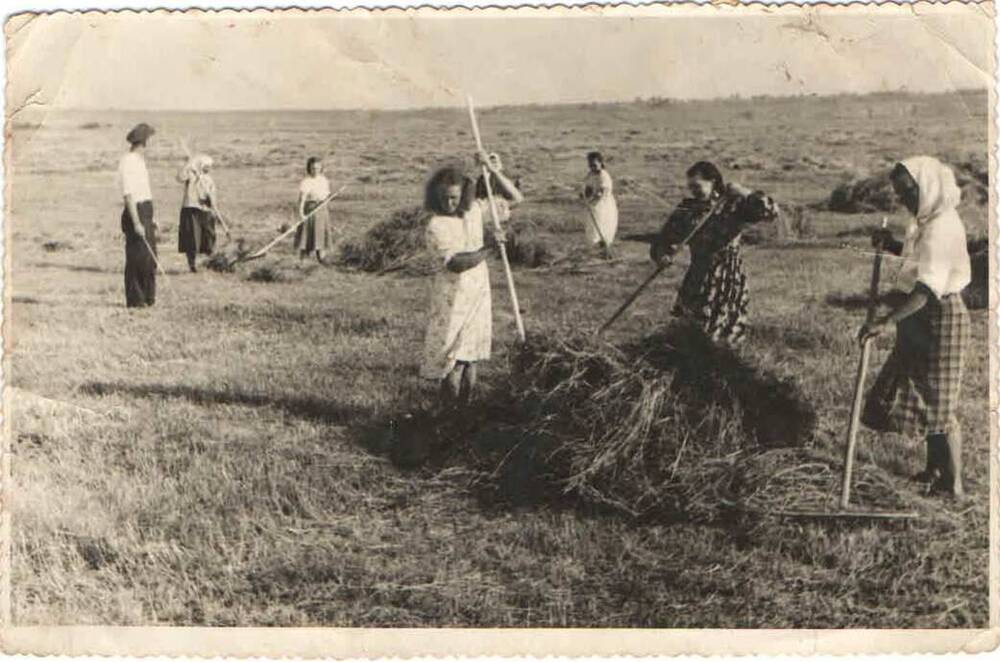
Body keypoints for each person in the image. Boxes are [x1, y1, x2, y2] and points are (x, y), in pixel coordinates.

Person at [860, 156, 972, 498]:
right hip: (921, 318)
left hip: (940, 318)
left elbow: (926, 289)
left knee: (940, 403)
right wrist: (892, 245)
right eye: (900, 193)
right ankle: (934, 470)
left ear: (928, 186)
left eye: (909, 192)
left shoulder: (942, 227)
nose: (904, 200)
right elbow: (918, 263)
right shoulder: (927, 221)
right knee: (925, 398)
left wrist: (884, 321)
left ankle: (953, 487)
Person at [420, 152, 513, 407]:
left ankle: (464, 411)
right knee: (451, 360)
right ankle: (448, 414)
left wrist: (492, 171)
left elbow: (516, 199)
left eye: (454, 197)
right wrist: (490, 248)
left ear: (464, 196)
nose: (449, 203)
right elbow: (456, 264)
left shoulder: (473, 213)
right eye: (443, 198)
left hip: (478, 292)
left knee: (470, 357)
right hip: (452, 298)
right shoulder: (436, 225)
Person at [650, 161, 777, 346]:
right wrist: (662, 255)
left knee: (724, 334)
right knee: (690, 329)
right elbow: (663, 240)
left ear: (713, 181)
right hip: (698, 275)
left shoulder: (733, 205)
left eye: (697, 186)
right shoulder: (687, 209)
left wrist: (743, 191)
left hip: (728, 277)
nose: (693, 191)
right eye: (690, 187)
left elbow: (770, 212)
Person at [117, 122, 157, 308]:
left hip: (146, 210)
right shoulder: (127, 161)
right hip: (136, 211)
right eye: (149, 140)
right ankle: (136, 300)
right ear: (143, 142)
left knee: (150, 257)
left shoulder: (140, 161)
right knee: (137, 257)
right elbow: (128, 195)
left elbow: (144, 190)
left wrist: (150, 218)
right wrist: (136, 222)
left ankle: (149, 297)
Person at [176, 154, 217, 272]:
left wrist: (210, 200)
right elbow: (179, 178)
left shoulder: (209, 180)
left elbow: (213, 199)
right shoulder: (191, 175)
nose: (209, 168)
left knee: (209, 236)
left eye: (210, 166)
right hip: (191, 209)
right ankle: (192, 265)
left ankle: (212, 262)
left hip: (205, 211)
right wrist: (188, 165)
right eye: (207, 166)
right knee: (192, 239)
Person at [475, 152, 525, 248]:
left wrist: (492, 169)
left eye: (495, 160)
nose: (492, 162)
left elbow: (517, 199)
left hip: (505, 227)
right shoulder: (482, 180)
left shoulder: (507, 179)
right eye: (490, 160)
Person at [295, 156, 332, 264]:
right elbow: (301, 199)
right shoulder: (306, 181)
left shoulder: (324, 180)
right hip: (309, 210)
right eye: (313, 168)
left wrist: (326, 200)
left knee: (320, 234)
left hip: (322, 210)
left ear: (321, 168)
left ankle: (322, 258)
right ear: (309, 168)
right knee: (306, 235)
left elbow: (327, 195)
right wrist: (301, 213)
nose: (315, 170)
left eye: (317, 168)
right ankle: (302, 261)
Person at [581, 151, 618, 248]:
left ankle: (603, 245)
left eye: (594, 165)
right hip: (593, 205)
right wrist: (584, 195)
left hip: (603, 206)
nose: (592, 167)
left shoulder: (604, 176)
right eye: (590, 165)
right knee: (592, 226)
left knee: (602, 225)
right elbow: (588, 187)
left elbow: (601, 193)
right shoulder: (591, 175)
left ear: (600, 163)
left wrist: (592, 201)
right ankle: (594, 246)